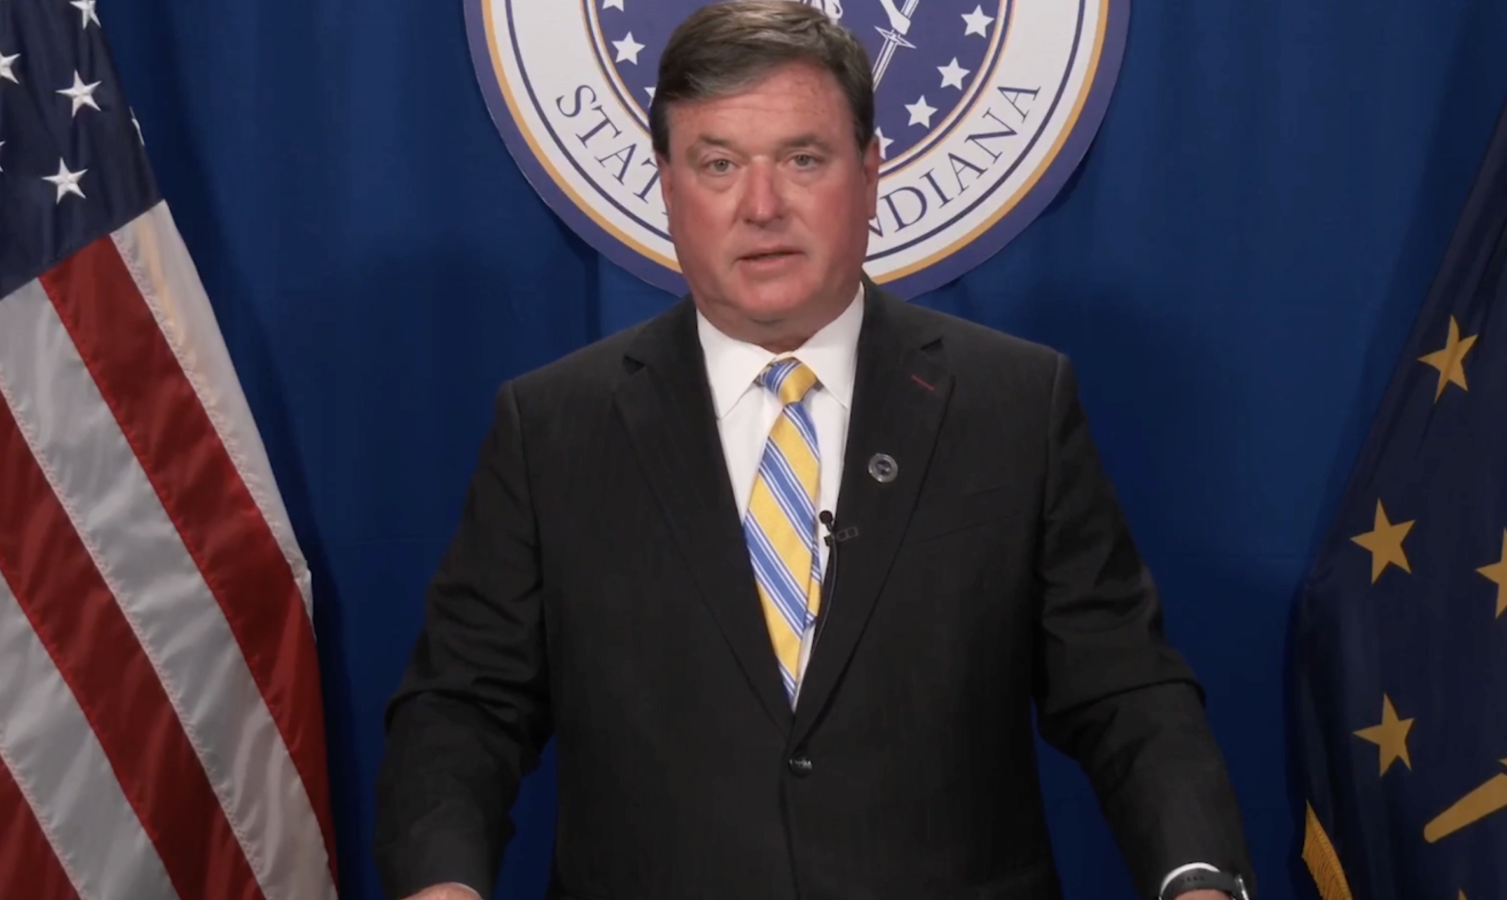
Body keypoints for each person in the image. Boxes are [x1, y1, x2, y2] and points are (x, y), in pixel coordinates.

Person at [372, 3, 1254, 899]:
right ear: (667, 186)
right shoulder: (552, 428)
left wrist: (1198, 878)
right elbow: (463, 709)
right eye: (718, 165)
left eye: (803, 159)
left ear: (869, 174)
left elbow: (1124, 691)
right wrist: (442, 884)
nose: (762, 207)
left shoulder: (1015, 407)